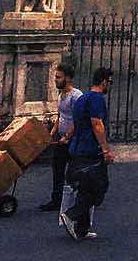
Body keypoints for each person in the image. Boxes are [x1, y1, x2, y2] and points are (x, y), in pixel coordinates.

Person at [63, 66, 114, 242]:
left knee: (86, 188)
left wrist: (67, 136)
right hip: (90, 150)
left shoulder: (82, 98)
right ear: (103, 81)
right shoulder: (97, 99)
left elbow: (76, 122)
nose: (110, 85)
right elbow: (97, 124)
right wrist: (105, 149)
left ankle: (82, 229)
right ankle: (71, 214)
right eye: (109, 82)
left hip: (77, 149)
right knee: (99, 186)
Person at [38, 61, 81, 214]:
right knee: (57, 169)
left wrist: (68, 136)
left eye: (58, 77)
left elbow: (78, 119)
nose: (55, 79)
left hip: (72, 140)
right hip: (61, 137)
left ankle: (75, 201)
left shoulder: (76, 96)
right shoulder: (61, 94)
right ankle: (56, 200)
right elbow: (60, 115)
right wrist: (52, 133)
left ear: (68, 78)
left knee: (73, 172)